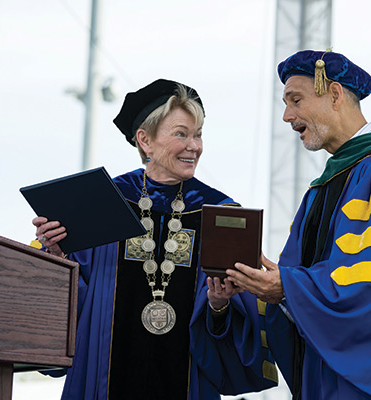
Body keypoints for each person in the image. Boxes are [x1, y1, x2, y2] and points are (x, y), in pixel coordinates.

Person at [223, 50, 371, 399]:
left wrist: (288, 287)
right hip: (326, 373)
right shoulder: (328, 184)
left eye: (296, 100)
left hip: (369, 382)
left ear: (334, 94)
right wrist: (250, 288)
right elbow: (297, 282)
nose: (287, 116)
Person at [33, 79, 276, 399]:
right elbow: (74, 303)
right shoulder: (102, 203)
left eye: (198, 134)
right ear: (145, 140)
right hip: (106, 380)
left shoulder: (221, 216)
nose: (195, 146)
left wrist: (218, 306)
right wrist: (57, 258)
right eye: (181, 134)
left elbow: (237, 324)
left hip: (185, 379)